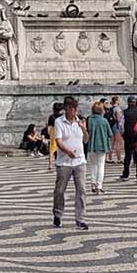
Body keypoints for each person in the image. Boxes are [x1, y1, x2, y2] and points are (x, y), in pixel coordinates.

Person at [49, 97, 88, 229]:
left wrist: (84, 129)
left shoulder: (80, 121)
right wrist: (67, 151)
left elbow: (86, 140)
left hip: (79, 161)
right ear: (66, 108)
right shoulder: (59, 122)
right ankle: (58, 214)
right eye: (72, 108)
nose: (74, 111)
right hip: (64, 162)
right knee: (60, 190)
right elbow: (58, 141)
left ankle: (80, 218)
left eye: (76, 108)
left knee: (81, 190)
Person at [85, 100, 113, 193]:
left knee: (93, 165)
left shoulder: (89, 120)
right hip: (102, 145)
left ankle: (93, 183)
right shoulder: (104, 120)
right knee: (101, 166)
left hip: (92, 145)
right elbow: (110, 133)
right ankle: (99, 185)